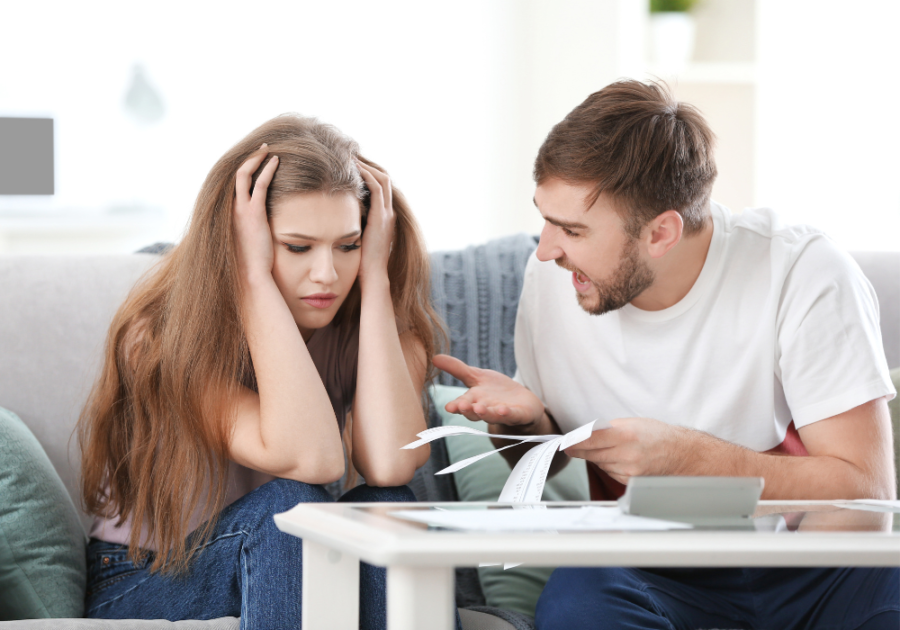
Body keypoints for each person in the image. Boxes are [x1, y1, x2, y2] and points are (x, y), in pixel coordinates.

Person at [434, 80, 899, 629]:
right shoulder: (551, 280)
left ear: (661, 232)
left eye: (573, 230)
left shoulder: (801, 272)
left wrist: (689, 459)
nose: (545, 249)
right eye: (546, 218)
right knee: (576, 599)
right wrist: (527, 423)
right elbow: (551, 457)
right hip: (646, 573)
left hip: (810, 568)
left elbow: (866, 497)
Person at [78, 114, 443, 630]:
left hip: (292, 564)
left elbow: (389, 467)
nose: (327, 275)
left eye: (348, 245)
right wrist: (252, 279)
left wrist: (378, 280)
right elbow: (308, 458)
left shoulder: (376, 330)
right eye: (297, 247)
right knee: (291, 506)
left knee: (389, 506)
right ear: (240, 238)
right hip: (148, 575)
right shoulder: (160, 340)